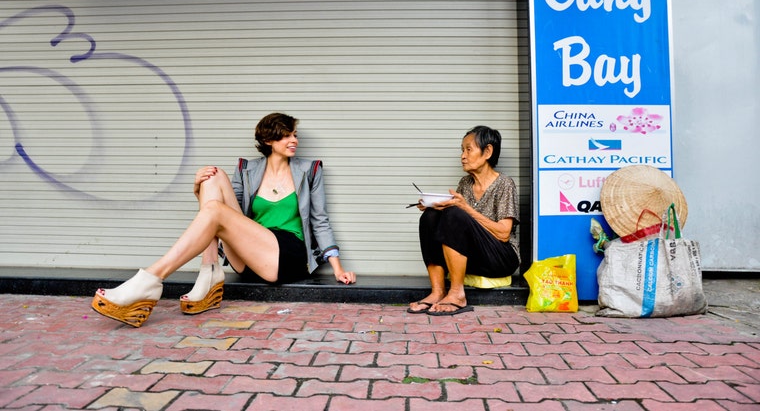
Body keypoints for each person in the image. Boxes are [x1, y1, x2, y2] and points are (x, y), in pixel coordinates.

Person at [92, 112, 356, 327]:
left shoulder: (309, 170)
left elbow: (320, 220)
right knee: (212, 176)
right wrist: (197, 188)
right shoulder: (248, 170)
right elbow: (224, 212)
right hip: (250, 254)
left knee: (215, 210)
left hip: (286, 254)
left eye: (294, 134)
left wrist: (338, 269)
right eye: (286, 135)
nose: (294, 140)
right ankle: (209, 273)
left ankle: (151, 280)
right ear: (268, 140)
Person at [408, 125, 520, 316]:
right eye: (462, 150)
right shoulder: (465, 183)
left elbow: (503, 234)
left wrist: (465, 208)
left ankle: (457, 294)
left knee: (455, 213)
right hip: (473, 257)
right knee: (430, 216)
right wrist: (434, 206)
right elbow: (456, 225)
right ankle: (438, 291)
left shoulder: (504, 184)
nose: (463, 156)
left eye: (469, 149)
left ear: (488, 151)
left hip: (501, 258)